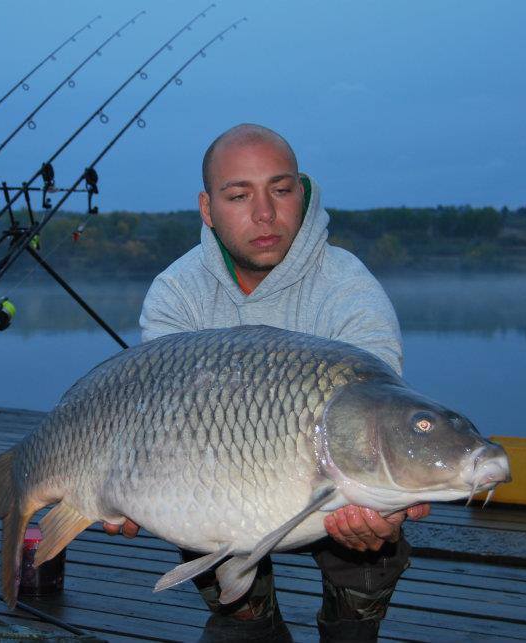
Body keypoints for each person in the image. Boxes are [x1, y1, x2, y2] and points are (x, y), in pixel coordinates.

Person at [103, 124, 430, 642]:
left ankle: (350, 622)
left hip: (333, 490)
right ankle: (250, 620)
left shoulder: (350, 291)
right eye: (239, 195)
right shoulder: (177, 294)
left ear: (301, 194)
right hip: (222, 481)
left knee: (375, 518)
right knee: (197, 529)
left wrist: (385, 510)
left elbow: (381, 418)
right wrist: (127, 488)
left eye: (280, 190)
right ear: (208, 210)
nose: (264, 213)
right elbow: (158, 419)